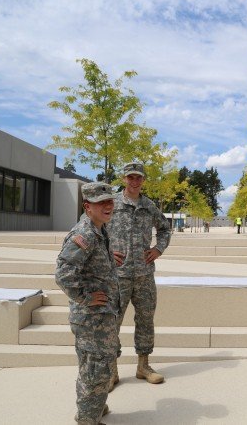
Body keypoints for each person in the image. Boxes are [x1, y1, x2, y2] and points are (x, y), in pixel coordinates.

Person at [55, 182, 120, 425]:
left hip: (102, 316)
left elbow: (88, 266)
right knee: (95, 371)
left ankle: (93, 408)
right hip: (91, 318)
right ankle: (87, 419)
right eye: (101, 202)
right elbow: (63, 275)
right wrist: (86, 297)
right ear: (87, 206)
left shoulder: (100, 230)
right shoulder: (84, 234)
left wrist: (108, 260)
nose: (108, 206)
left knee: (94, 366)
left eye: (110, 201)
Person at [107, 162, 171, 388]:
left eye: (139, 178)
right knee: (112, 322)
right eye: (130, 177)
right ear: (124, 178)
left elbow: (165, 228)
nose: (135, 181)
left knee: (145, 320)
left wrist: (158, 249)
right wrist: (105, 253)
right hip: (118, 275)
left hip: (144, 274)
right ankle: (111, 371)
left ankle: (143, 366)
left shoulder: (148, 206)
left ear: (143, 180)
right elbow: (94, 227)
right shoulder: (111, 203)